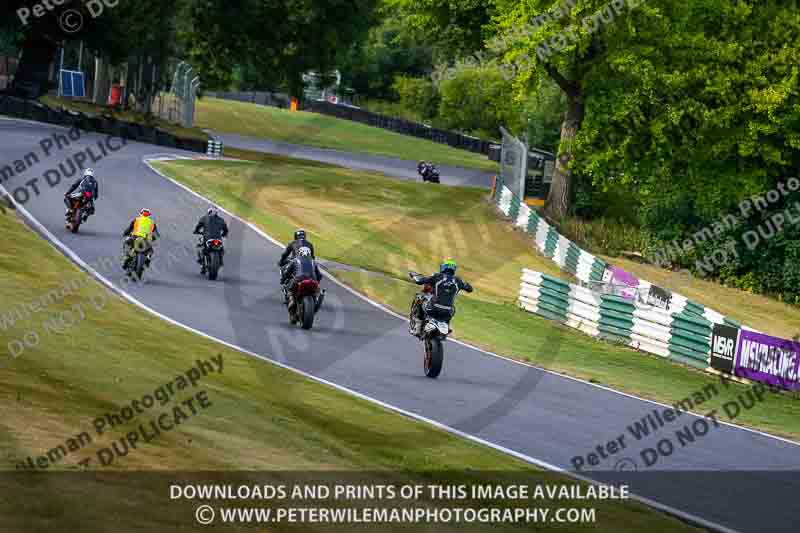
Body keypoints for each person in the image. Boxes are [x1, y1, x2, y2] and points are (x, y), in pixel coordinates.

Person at [410, 260, 473, 336]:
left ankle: (418, 327)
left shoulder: (437, 276)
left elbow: (420, 281)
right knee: (452, 308)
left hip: (432, 308)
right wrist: (464, 284)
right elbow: (470, 289)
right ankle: (446, 326)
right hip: (448, 313)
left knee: (420, 298)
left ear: (443, 267)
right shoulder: (458, 280)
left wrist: (414, 276)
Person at [193, 207, 229, 274]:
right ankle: (220, 261)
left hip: (207, 238)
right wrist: (224, 234)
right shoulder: (221, 220)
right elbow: (226, 230)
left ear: (209, 212)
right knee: (222, 249)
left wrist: (196, 231)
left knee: (199, 246)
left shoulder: (204, 218)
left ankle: (202, 260)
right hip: (218, 239)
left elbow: (198, 226)